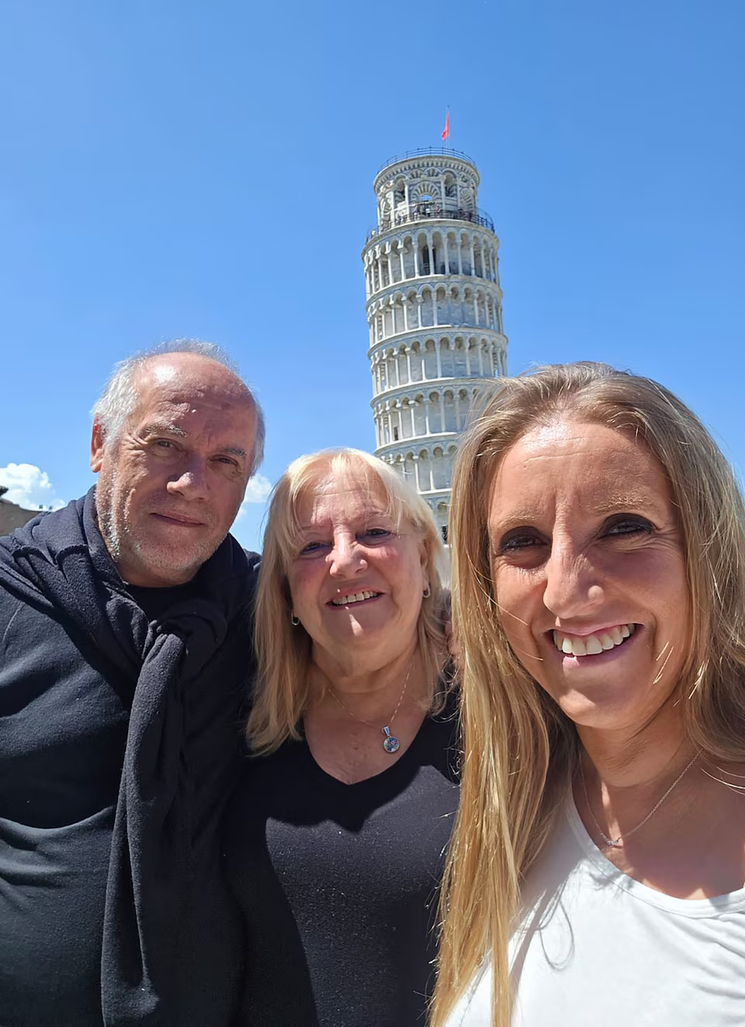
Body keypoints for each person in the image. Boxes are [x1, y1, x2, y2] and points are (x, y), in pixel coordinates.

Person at [431, 363, 745, 1027]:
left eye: (623, 526)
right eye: (521, 542)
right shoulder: (509, 815)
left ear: (707, 548)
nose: (564, 589)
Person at [0, 341, 264, 1027]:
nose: (191, 484)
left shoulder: (272, 613)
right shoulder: (11, 591)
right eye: (165, 445)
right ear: (99, 443)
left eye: (225, 461)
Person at [222, 448, 458, 1026]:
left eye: (375, 532)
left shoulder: (502, 716)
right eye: (312, 545)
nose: (346, 560)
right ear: (284, 589)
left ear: (424, 557)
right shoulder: (237, 717)